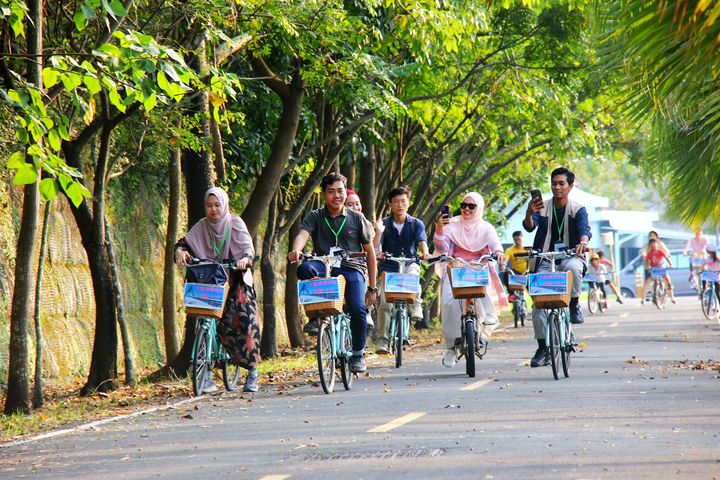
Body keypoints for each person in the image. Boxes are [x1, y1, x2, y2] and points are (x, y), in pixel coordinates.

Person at [287, 172, 378, 373]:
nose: (336, 195)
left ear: (345, 192)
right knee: (304, 268)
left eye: (340, 191)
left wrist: (372, 287)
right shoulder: (315, 216)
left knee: (356, 308)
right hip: (324, 265)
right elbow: (303, 235)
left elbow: (370, 253)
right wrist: (297, 250)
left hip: (352, 268)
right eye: (331, 192)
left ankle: (358, 352)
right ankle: (315, 316)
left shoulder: (357, 218)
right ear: (323, 194)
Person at [174, 187, 260, 393]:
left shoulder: (235, 223)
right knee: (203, 315)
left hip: (235, 278)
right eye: (209, 205)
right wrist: (179, 252)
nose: (213, 210)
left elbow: (248, 249)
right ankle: (205, 374)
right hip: (210, 278)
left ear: (225, 205)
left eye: (217, 205)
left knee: (245, 317)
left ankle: (252, 372)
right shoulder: (201, 226)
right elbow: (183, 243)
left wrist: (244, 260)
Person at [523, 167, 590, 368]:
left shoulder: (578, 209)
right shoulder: (542, 207)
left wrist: (583, 242)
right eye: (554, 183)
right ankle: (543, 348)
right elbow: (529, 226)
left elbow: (584, 230)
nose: (557, 187)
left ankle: (574, 304)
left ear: (570, 186)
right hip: (544, 259)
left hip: (569, 256)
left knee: (574, 268)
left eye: (561, 183)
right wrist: (529, 212)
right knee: (538, 304)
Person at [433, 192, 507, 368]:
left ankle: (486, 322)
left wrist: (499, 252)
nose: (466, 209)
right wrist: (439, 229)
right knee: (449, 302)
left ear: (479, 208)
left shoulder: (486, 227)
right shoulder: (451, 224)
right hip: (456, 269)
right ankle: (452, 347)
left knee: (484, 289)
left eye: (471, 206)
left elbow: (495, 244)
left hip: (478, 268)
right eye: (463, 205)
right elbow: (441, 247)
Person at [373, 187, 429, 354]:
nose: (400, 205)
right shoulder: (384, 223)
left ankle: (416, 305)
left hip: (409, 262)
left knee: (413, 276)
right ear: (390, 204)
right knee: (385, 303)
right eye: (396, 201)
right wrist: (378, 233)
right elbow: (376, 246)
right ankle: (383, 342)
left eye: (403, 201)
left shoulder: (416, 223)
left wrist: (425, 252)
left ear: (408, 203)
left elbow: (421, 240)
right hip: (389, 265)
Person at [344, 189, 376, 334]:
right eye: (350, 204)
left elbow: (372, 250)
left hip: (361, 265)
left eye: (357, 204)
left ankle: (366, 311)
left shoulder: (365, 223)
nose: (355, 207)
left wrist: (379, 232)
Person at [641, 238, 676, 304]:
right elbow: (647, 261)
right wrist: (648, 267)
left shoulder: (660, 251)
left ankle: (672, 297)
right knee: (654, 281)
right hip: (654, 268)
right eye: (652, 245)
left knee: (667, 279)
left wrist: (671, 264)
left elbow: (667, 258)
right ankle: (654, 296)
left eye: (654, 244)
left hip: (661, 267)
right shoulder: (650, 254)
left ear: (657, 244)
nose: (653, 246)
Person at [503, 230, 529, 301]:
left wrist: (528, 271)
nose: (517, 242)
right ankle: (511, 294)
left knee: (532, 288)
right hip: (516, 272)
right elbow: (505, 260)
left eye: (519, 239)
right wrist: (503, 266)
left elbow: (532, 262)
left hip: (527, 272)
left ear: (522, 238)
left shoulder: (528, 249)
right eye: (515, 240)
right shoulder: (509, 250)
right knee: (506, 273)